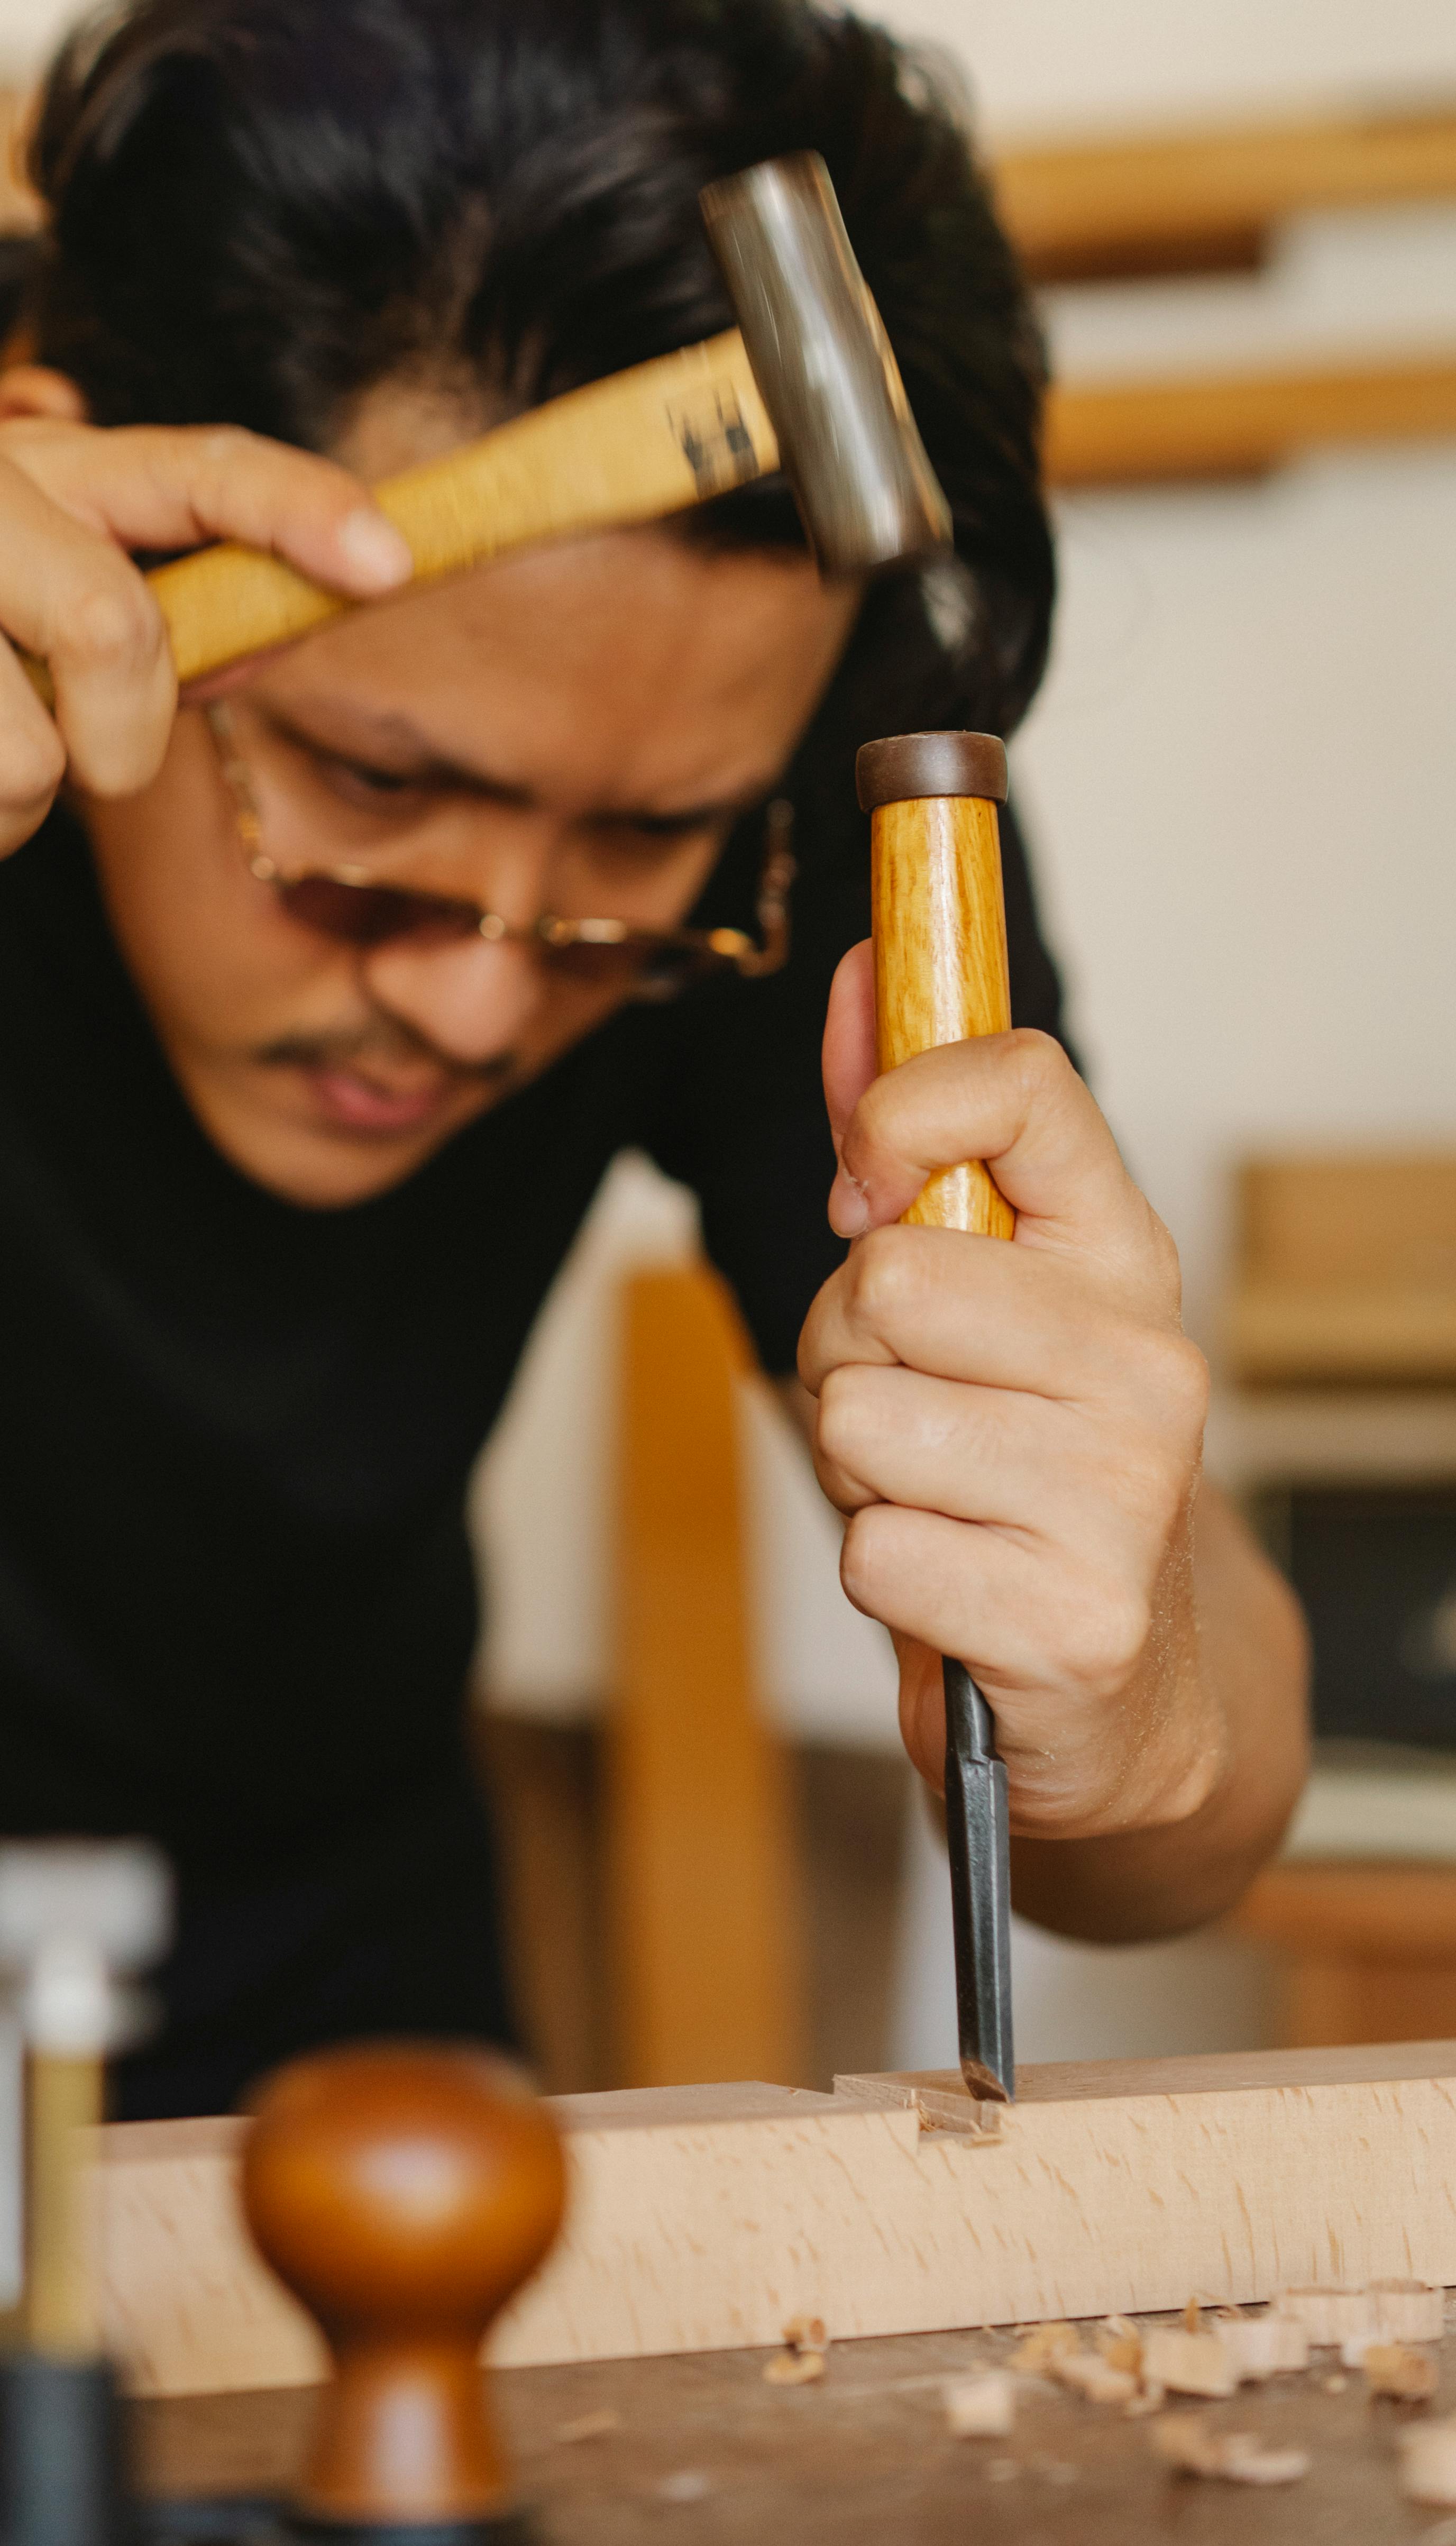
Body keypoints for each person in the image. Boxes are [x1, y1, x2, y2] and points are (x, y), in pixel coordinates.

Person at [0, 0, 1307, 2118]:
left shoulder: (814, 812)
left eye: (633, 846)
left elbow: (1202, 1785)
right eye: (362, 788)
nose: (481, 1000)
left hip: (325, 2043)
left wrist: (1135, 1708)